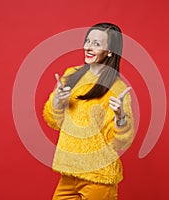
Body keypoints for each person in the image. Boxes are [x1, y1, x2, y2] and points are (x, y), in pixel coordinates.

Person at [43, 22, 135, 200]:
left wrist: (120, 118)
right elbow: (54, 122)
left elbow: (119, 143)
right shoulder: (71, 75)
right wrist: (56, 102)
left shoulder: (117, 88)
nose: (88, 47)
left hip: (99, 177)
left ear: (110, 52)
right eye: (88, 41)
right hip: (69, 173)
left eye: (97, 44)